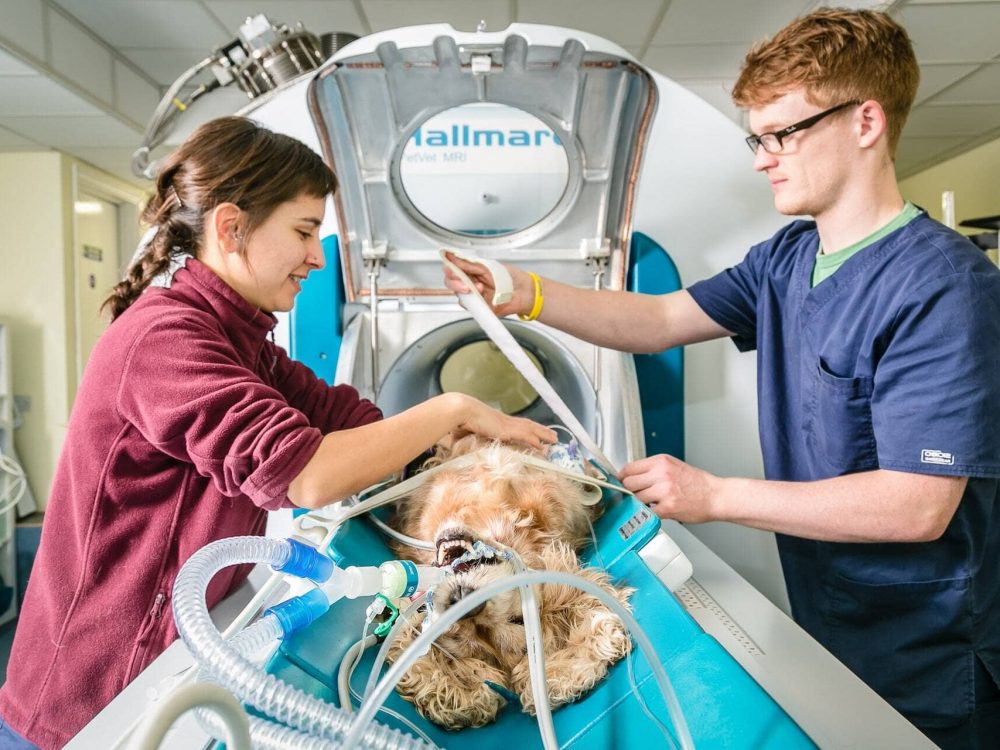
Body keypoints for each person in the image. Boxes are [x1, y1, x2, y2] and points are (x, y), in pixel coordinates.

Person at [446, 8, 1000, 749]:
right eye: (757, 138)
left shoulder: (943, 288)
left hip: (926, 647)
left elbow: (917, 505)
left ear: (866, 122)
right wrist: (525, 293)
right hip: (832, 617)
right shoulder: (788, 258)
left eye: (785, 134)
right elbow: (661, 319)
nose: (763, 158)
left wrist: (712, 496)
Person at [0, 116, 555, 750]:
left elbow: (350, 423)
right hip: (92, 698)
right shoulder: (166, 339)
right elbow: (307, 475)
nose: (318, 257)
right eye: (303, 232)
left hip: (174, 655)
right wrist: (451, 407)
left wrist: (457, 457)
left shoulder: (243, 342)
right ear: (231, 228)